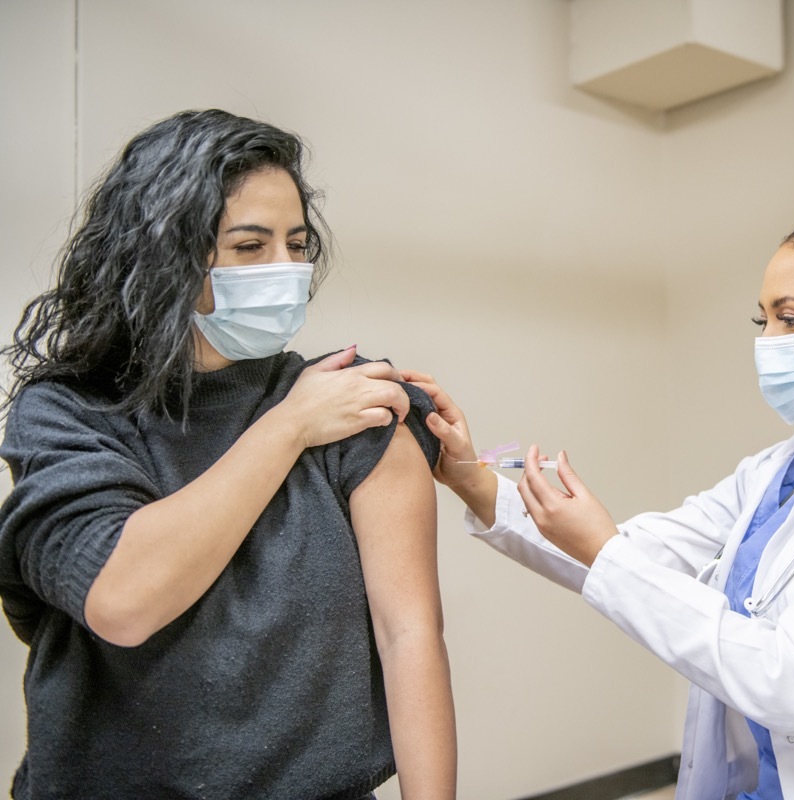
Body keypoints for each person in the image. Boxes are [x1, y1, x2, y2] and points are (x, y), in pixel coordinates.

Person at [402, 176, 794, 800]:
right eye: (762, 320)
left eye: (791, 320)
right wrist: (473, 480)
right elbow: (635, 555)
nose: (768, 343)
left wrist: (607, 553)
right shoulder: (774, 473)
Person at [0, 109, 455, 799]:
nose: (287, 269)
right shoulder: (67, 413)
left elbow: (410, 635)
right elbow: (123, 599)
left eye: (297, 244)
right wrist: (286, 429)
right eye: (250, 247)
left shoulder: (355, 404)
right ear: (165, 256)